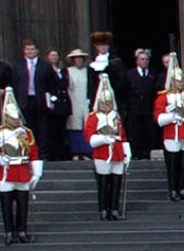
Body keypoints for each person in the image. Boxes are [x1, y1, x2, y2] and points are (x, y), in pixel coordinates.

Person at [0, 88, 41, 245]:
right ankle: (9, 231)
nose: (16, 121)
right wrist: (0, 159)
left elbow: (33, 153)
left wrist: (36, 173)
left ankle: (22, 230)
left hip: (22, 170)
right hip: (6, 171)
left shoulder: (26, 133)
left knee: (23, 203)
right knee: (6, 203)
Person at [86, 74, 130, 220]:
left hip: (117, 152)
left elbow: (122, 136)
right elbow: (90, 137)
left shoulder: (115, 117)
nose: (107, 105)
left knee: (117, 182)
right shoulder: (93, 117)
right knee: (103, 182)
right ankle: (103, 209)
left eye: (109, 102)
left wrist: (127, 153)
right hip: (102, 152)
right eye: (104, 103)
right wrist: (104, 139)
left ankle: (114, 208)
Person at [156, 53, 184, 201]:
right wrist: (170, 116)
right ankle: (172, 189)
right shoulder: (163, 97)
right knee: (173, 164)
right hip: (171, 132)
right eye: (178, 81)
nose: (181, 83)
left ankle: (182, 188)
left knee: (183, 164)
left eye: (181, 81)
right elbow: (159, 118)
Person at [125, 47, 162, 160]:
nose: (144, 61)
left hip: (148, 109)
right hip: (134, 109)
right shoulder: (129, 74)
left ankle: (147, 153)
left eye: (146, 59)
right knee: (135, 132)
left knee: (148, 132)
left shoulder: (152, 74)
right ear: (137, 60)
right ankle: (136, 154)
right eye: (142, 59)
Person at [86, 29, 128, 129]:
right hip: (98, 102)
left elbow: (123, 82)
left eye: (105, 44)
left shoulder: (116, 62)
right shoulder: (92, 64)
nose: (103, 47)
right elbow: (90, 85)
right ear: (96, 47)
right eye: (100, 45)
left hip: (114, 101)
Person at [11, 40, 45, 159]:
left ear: (37, 51)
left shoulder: (44, 65)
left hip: (39, 100)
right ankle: (27, 150)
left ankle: (40, 152)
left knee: (40, 127)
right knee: (26, 128)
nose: (30, 52)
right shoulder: (18, 65)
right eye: (28, 49)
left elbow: (49, 85)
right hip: (24, 100)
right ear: (24, 51)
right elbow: (15, 83)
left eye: (32, 49)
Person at [37, 47, 71, 162]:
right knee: (53, 129)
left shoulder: (63, 70)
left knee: (62, 129)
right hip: (52, 103)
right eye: (52, 55)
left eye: (56, 55)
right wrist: (49, 101)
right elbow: (46, 87)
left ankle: (62, 152)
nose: (54, 58)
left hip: (63, 103)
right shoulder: (46, 70)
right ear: (48, 57)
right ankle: (53, 153)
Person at [64, 47, 91, 158]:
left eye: (81, 58)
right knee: (74, 125)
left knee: (86, 125)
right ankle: (75, 152)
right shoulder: (68, 71)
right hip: (73, 100)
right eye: (76, 58)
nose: (79, 60)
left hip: (85, 101)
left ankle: (86, 152)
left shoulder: (88, 71)